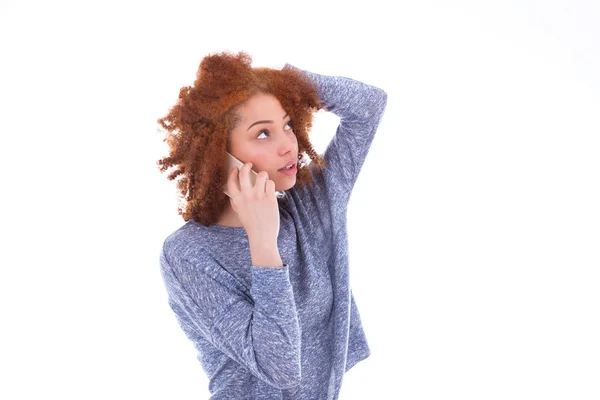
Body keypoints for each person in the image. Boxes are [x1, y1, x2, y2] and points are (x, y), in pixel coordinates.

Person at [156, 50, 388, 399]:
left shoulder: (308, 206)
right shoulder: (187, 255)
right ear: (219, 153)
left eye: (288, 125)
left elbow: (369, 106)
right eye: (263, 134)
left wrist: (290, 82)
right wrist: (262, 242)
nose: (288, 147)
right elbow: (279, 367)